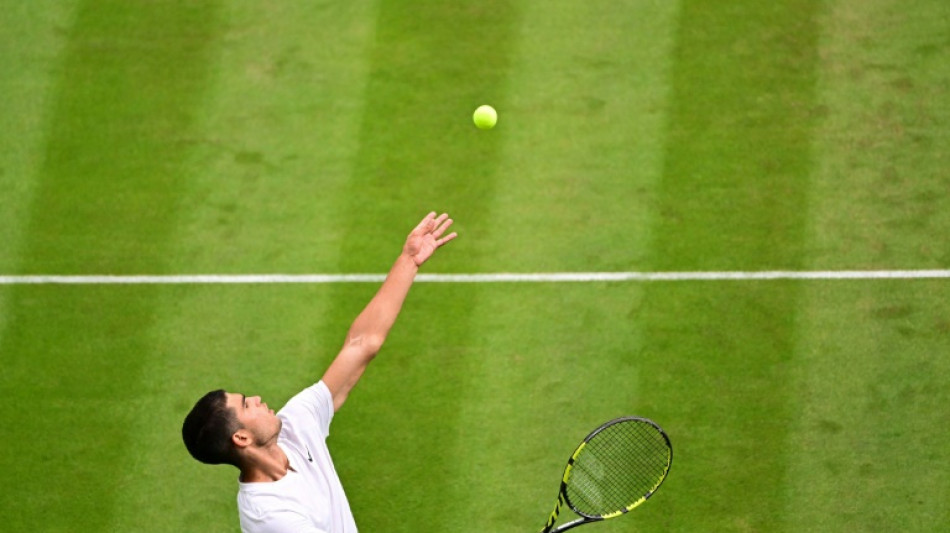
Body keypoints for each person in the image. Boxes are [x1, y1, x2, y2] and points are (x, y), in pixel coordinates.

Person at [182, 212, 457, 532]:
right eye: (245, 405)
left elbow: (361, 344)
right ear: (241, 438)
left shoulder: (295, 424)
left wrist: (408, 260)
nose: (255, 398)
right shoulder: (270, 515)